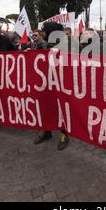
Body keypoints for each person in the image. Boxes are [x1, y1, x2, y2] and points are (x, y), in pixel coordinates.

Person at [33, 22, 70, 151]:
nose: (42, 33)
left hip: (60, 83)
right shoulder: (44, 44)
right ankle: (46, 131)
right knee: (46, 107)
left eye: (44, 30)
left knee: (61, 109)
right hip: (46, 82)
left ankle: (64, 134)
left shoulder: (65, 46)